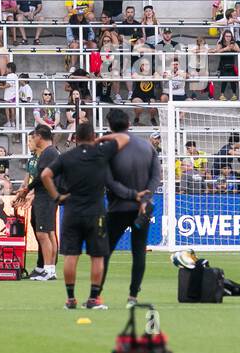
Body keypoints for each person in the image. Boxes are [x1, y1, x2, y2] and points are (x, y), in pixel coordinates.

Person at [39, 122, 134, 310]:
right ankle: (93, 299)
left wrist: (57, 196)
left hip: (72, 211)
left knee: (71, 255)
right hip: (96, 212)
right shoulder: (101, 152)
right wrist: (102, 139)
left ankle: (70, 299)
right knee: (97, 256)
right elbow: (125, 138)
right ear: (92, 136)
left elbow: (45, 175)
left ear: (75, 137)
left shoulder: (66, 157)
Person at [100, 109, 160, 307]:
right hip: (141, 208)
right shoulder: (146, 146)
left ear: (110, 124)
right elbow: (155, 176)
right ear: (128, 123)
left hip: (118, 207)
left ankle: (96, 294)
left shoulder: (110, 146)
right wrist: (144, 198)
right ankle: (133, 297)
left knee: (105, 251)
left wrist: (130, 195)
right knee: (139, 251)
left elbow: (108, 180)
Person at [15, 125, 60, 282]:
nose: (32, 140)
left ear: (40, 137)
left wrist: (27, 190)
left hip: (46, 196)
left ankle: (48, 269)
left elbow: (42, 177)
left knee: (44, 233)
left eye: (33, 137)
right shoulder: (51, 152)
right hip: (47, 195)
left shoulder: (48, 153)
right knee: (49, 232)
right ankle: (50, 269)